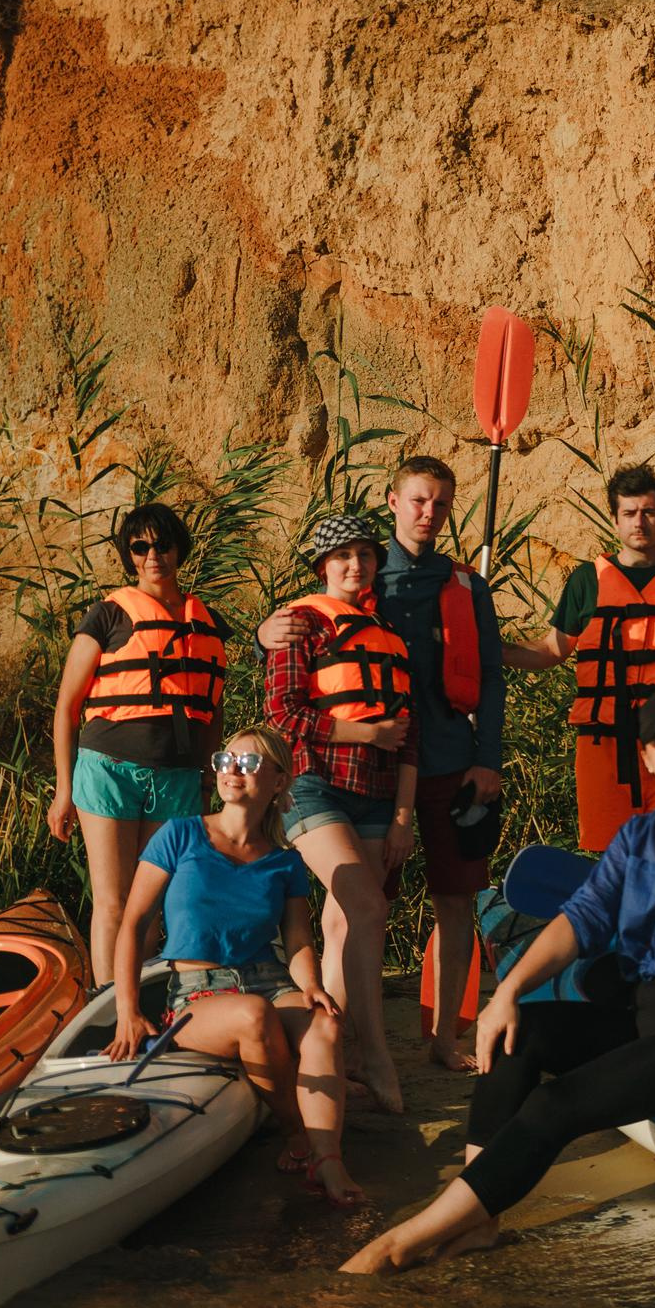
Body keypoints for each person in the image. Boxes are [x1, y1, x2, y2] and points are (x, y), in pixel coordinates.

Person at [340, 687, 655, 1273]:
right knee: (516, 1030)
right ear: (648, 759)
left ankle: (400, 1242)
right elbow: (580, 921)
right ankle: (480, 1216)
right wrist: (505, 993)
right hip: (638, 1014)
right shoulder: (641, 836)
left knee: (557, 1104)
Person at [260, 458, 505, 1084]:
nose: (429, 514)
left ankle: (444, 1038)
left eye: (442, 504)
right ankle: (338, 1046)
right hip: (362, 769)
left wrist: (488, 759)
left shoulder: (467, 585)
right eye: (419, 501)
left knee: (456, 901)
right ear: (393, 501)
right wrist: (263, 634)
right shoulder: (359, 579)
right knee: (352, 911)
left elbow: (494, 674)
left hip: (448, 762)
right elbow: (297, 648)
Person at [106, 724, 363, 1205]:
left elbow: (298, 939)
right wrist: (127, 1007)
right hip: (199, 990)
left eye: (247, 763)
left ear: (280, 780)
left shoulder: (285, 862)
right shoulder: (180, 834)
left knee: (326, 1025)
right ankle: (297, 1131)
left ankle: (330, 1162)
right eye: (226, 760)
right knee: (252, 1015)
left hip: (268, 979)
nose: (231, 771)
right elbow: (133, 923)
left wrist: (310, 986)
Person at [264, 513, 420, 1114]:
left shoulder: (391, 635)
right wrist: (366, 731)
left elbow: (411, 737)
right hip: (314, 786)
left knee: (343, 925)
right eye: (343, 557)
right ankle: (376, 1055)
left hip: (380, 796)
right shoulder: (299, 623)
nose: (357, 566)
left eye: (366, 555)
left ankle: (331, 1055)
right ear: (322, 566)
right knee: (367, 904)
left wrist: (404, 817)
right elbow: (282, 713)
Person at [47, 503, 229, 988]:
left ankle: (135, 1006)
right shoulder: (107, 615)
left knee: (149, 902)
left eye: (163, 545)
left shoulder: (207, 622)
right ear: (130, 556)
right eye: (141, 547)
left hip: (177, 777)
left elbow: (211, 711)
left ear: (179, 550)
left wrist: (208, 778)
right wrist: (63, 791)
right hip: (108, 769)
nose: (154, 556)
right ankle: (107, 1011)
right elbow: (66, 708)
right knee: (112, 900)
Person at [502, 462, 655, 851]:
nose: (639, 523)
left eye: (648, 512)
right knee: (612, 855)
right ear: (614, 519)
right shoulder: (587, 581)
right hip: (605, 741)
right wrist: (490, 650)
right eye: (629, 513)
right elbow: (550, 650)